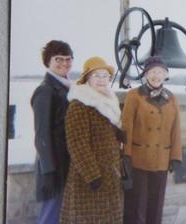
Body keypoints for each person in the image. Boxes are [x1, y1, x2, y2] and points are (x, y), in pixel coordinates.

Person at [59, 56, 125, 223]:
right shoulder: (79, 105)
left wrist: (116, 132)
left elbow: (101, 128)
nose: (102, 80)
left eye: (105, 76)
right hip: (89, 179)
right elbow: (77, 144)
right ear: (87, 79)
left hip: (110, 175)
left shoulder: (108, 101)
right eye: (97, 76)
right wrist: (92, 175)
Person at [122, 56, 182, 224]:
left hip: (161, 161)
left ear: (165, 75)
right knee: (136, 206)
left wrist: (175, 156)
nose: (156, 76)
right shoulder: (134, 95)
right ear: (146, 74)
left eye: (160, 72)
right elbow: (126, 128)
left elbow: (176, 129)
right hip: (138, 160)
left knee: (156, 207)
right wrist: (126, 156)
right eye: (153, 72)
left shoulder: (171, 98)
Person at [30, 40, 73, 224]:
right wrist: (49, 171)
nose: (64, 63)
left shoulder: (66, 88)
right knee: (51, 215)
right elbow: (41, 136)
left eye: (68, 59)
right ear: (48, 61)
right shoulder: (45, 91)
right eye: (58, 59)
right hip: (54, 168)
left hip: (65, 164)